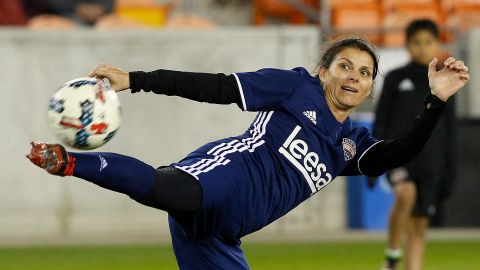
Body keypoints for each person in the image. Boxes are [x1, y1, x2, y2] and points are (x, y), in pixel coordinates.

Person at [27, 36, 469, 269]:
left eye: (366, 72)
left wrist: (436, 101)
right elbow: (217, 87)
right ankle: (67, 161)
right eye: (345, 66)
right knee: (168, 191)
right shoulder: (297, 86)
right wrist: (138, 79)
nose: (354, 76)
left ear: (371, 86)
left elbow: (399, 152)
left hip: (221, 238)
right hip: (218, 177)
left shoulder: (348, 146)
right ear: (323, 71)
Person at [374, 20, 456, 270]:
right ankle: (392, 255)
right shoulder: (395, 78)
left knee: (420, 225)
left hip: (431, 162)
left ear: (438, 44)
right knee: (405, 193)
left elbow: (450, 130)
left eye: (428, 42)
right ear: (407, 45)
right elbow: (381, 120)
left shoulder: (446, 82)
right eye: (417, 42)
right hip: (399, 156)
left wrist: (450, 170)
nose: (422, 48)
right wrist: (374, 160)